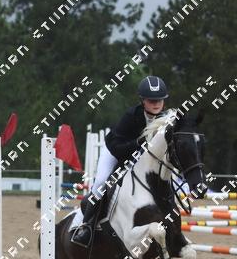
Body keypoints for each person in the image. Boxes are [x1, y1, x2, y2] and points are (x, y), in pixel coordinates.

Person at [71, 76, 169, 247]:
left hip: (140, 158)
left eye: (159, 100)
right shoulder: (132, 116)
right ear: (143, 101)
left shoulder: (165, 119)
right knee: (101, 183)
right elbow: (117, 147)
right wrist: (137, 143)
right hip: (115, 152)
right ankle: (85, 225)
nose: (156, 104)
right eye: (151, 100)